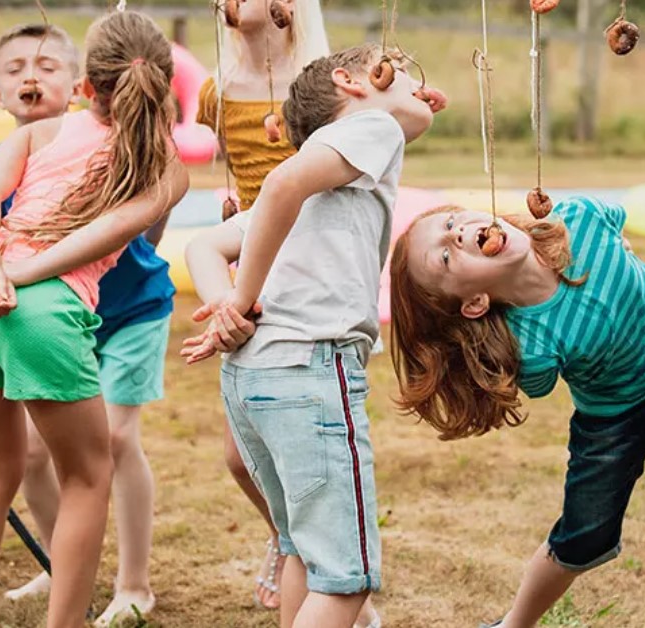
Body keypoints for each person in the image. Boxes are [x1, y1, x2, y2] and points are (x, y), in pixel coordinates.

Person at [0, 11, 188, 627]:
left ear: (82, 87)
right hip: (35, 309)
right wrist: (15, 274)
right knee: (88, 477)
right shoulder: (167, 170)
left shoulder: (41, 133)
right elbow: (109, 234)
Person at [183, 43, 440, 627]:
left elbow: (204, 245)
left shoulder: (332, 175)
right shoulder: (371, 129)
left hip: (253, 379)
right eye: (397, 66)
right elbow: (277, 187)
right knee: (346, 581)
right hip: (311, 372)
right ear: (351, 83)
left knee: (303, 546)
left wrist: (222, 305)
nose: (411, 78)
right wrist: (239, 301)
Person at [389, 198, 645, 628]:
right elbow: (540, 381)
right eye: (443, 255)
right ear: (475, 303)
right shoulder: (529, 350)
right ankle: (515, 623)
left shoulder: (580, 219)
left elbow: (615, 221)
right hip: (610, 417)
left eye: (452, 221)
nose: (455, 234)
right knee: (583, 535)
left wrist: (619, 249)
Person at [195, 0, 329, 609]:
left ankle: (326, 567)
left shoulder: (318, 84)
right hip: (251, 262)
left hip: (311, 265)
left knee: (306, 440)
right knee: (239, 452)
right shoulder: (213, 93)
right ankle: (284, 535)